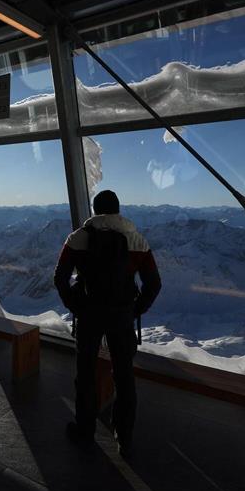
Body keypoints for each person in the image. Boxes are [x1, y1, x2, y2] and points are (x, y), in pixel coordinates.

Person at [53, 190, 161, 456]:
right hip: (122, 315)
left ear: (95, 209)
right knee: (124, 375)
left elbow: (60, 277)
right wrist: (135, 309)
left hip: (89, 313)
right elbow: (153, 283)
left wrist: (74, 305)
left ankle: (85, 431)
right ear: (118, 210)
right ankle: (124, 438)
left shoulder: (78, 238)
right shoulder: (136, 240)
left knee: (86, 372)